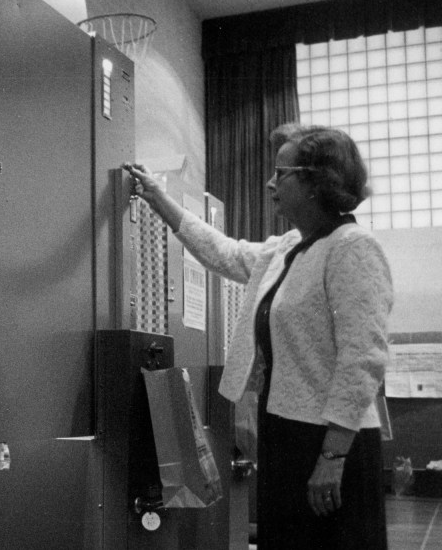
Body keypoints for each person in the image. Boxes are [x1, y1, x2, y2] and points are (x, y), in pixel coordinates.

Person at [124, 124, 392, 549]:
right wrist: (159, 199)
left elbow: (363, 359)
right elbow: (223, 252)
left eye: (280, 173)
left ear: (315, 183)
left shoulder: (352, 247)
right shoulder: (289, 247)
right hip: (284, 430)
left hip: (329, 440)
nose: (270, 182)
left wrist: (332, 457)